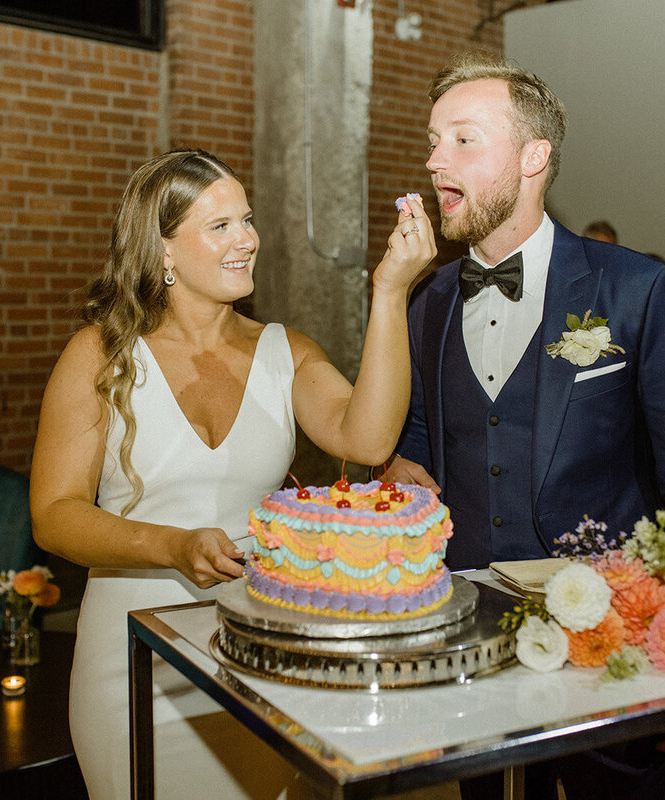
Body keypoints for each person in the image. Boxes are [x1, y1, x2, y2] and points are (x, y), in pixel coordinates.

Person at [28, 149, 435, 800]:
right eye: (220, 227)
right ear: (162, 250)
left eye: (246, 220)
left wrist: (391, 292)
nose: (247, 239)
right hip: (131, 656)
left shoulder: (286, 351)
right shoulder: (100, 355)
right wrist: (173, 545)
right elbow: (54, 515)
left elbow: (369, 435)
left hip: (256, 651)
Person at [382, 51, 665, 800]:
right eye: (434, 139)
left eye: (463, 140)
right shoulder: (430, 302)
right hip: (471, 649)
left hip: (607, 649)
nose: (434, 158)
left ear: (533, 157)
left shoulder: (638, 290)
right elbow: (416, 444)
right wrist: (395, 472)